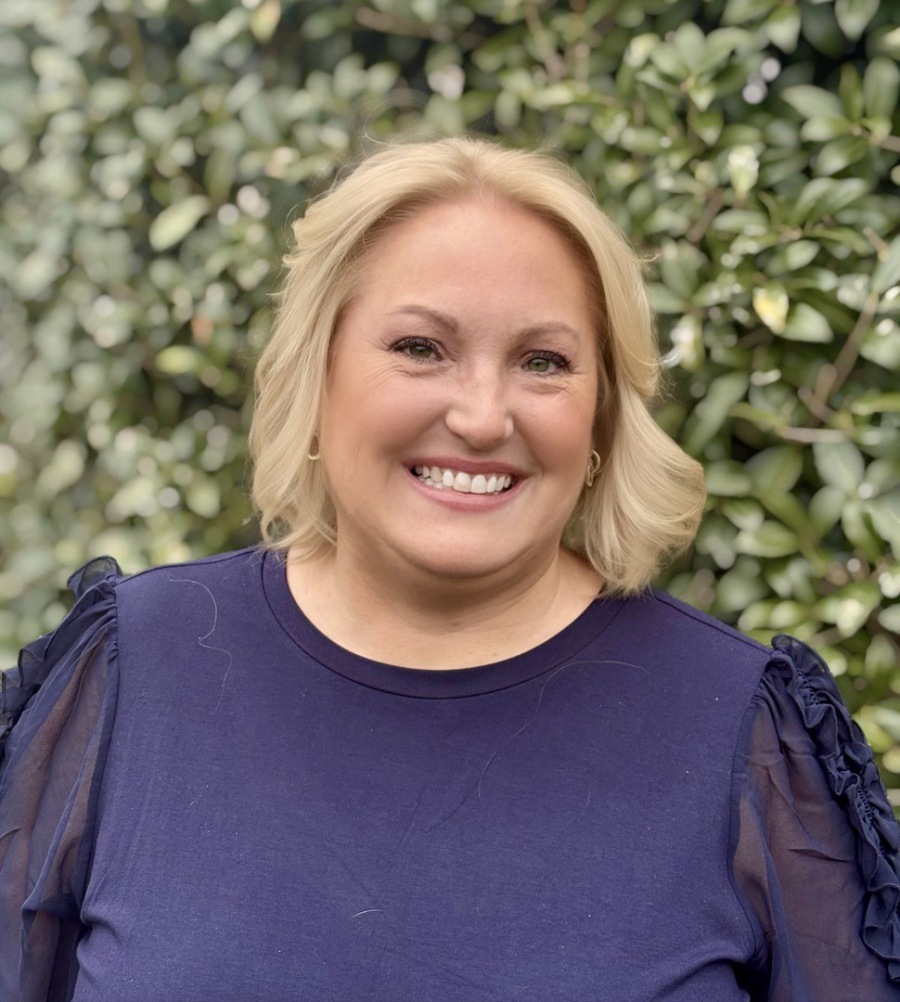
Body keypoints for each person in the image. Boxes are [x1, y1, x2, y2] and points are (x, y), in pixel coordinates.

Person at [1, 136, 898, 1002]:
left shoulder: (744, 732)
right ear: (317, 370)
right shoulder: (135, 670)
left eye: (543, 362)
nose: (481, 417)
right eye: (420, 348)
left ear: (600, 415)